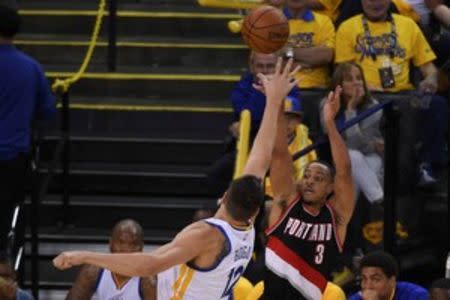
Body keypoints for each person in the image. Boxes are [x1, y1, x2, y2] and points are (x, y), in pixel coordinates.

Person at [53, 58, 300, 300]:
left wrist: (85, 256)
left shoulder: (207, 235)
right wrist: (274, 100)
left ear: (223, 196)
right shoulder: (247, 225)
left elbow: (150, 265)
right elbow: (261, 154)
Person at [262, 84, 356, 299]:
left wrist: (330, 123)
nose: (310, 182)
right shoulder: (285, 203)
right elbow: (279, 154)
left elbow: (344, 171)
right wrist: (276, 104)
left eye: (319, 178)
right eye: (306, 176)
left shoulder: (337, 218)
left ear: (330, 188)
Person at [0, 3, 56, 256]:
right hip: (14, 158)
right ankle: (7, 265)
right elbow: (48, 109)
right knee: (10, 214)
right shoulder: (30, 67)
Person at [207, 51, 301, 197]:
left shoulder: (289, 84)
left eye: (269, 66)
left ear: (278, 67)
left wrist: (270, 92)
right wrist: (265, 92)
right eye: (260, 66)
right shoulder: (243, 84)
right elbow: (246, 110)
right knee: (216, 173)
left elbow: (291, 108)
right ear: (252, 67)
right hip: (250, 141)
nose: (264, 71)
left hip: (283, 145)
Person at [320, 62, 384, 205]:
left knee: (353, 160)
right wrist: (351, 109)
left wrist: (351, 110)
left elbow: (360, 146)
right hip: (338, 160)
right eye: (349, 79)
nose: (356, 83)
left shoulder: (373, 106)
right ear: (339, 84)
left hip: (372, 158)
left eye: (359, 78)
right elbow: (339, 143)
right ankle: (378, 199)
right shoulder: (327, 104)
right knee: (351, 157)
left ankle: (341, 219)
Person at [66, 219, 155, 300]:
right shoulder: (94, 270)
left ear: (141, 248)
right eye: (121, 242)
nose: (126, 250)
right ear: (110, 244)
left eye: (133, 244)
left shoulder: (147, 280)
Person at [281, 0, 336, 89]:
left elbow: (326, 55)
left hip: (317, 88)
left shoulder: (324, 21)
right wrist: (310, 60)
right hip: (281, 89)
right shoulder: (271, 22)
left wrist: (288, 52)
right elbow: (271, 60)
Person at [349, 251, 428, 300]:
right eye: (364, 279)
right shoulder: (357, 298)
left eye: (376, 279)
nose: (368, 286)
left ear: (392, 281)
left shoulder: (417, 296)